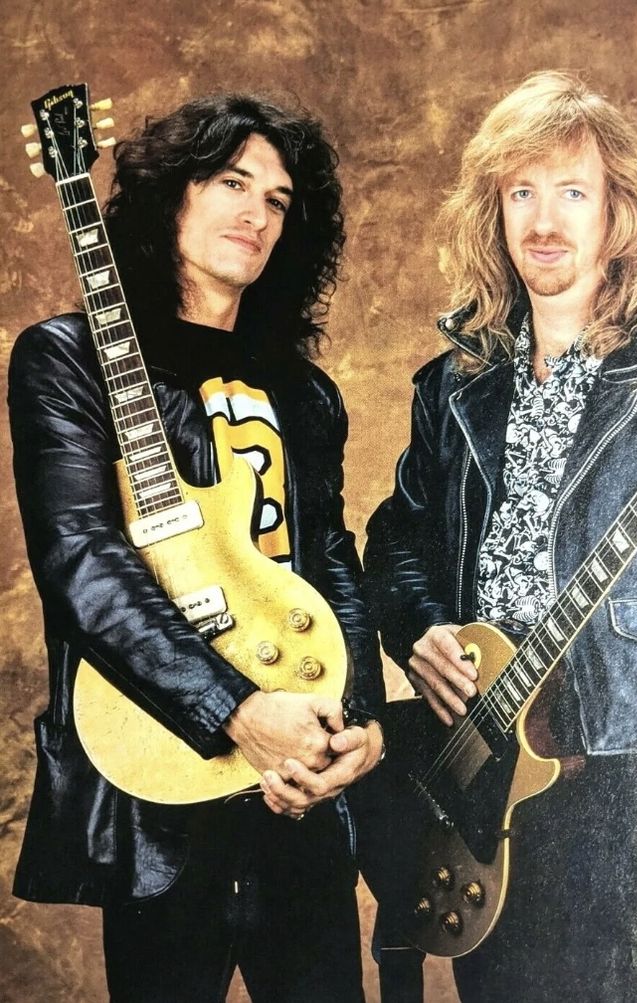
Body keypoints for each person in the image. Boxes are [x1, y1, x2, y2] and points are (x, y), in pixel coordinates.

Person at [362, 71, 637, 1002]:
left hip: (600, 747)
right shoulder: (454, 387)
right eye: (520, 191)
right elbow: (394, 536)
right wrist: (419, 631)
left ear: (617, 214)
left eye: (572, 191)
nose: (543, 220)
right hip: (472, 741)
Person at [9, 92, 385, 1003]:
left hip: (301, 774)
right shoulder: (66, 359)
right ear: (170, 195)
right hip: (160, 794)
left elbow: (330, 559)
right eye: (230, 181)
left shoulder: (303, 392)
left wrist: (362, 719)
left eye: (280, 200)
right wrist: (233, 710)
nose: (256, 213)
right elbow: (80, 564)